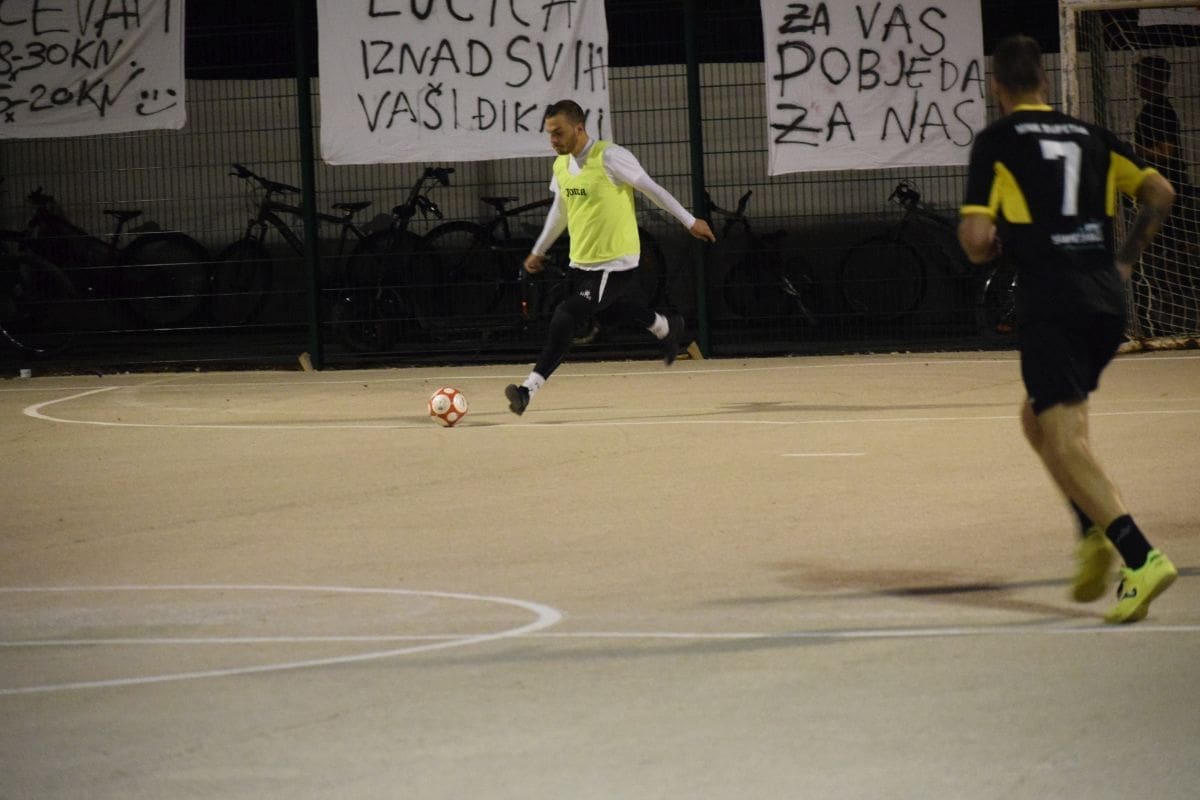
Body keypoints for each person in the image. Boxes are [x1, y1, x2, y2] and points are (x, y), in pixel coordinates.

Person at [957, 35, 1178, 623]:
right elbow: (1160, 192)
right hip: (1105, 300)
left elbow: (976, 240)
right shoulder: (1090, 134)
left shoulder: (998, 142)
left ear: (997, 88)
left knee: (1066, 439)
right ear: (1045, 83)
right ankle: (1089, 529)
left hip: (1051, 300)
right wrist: (1124, 261)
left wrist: (989, 246)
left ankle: (1140, 556)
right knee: (1039, 420)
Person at [504, 100, 716, 416]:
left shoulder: (610, 157)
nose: (553, 140)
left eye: (558, 133)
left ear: (578, 128)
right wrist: (539, 250)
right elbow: (560, 211)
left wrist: (689, 221)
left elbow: (651, 189)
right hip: (582, 261)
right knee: (608, 313)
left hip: (615, 262)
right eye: (549, 134)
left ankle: (527, 391)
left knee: (566, 315)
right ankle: (665, 326)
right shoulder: (561, 166)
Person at [1132, 55, 1197, 334]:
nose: (1139, 83)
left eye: (1145, 77)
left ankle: (1174, 322)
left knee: (1166, 259)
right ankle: (1170, 320)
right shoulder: (1154, 109)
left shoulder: (1158, 111)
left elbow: (1165, 152)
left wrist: (1133, 151)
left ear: (1159, 80)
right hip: (1165, 193)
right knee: (1164, 259)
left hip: (1166, 195)